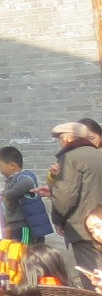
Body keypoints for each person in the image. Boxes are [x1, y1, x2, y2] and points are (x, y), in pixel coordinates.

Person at [48, 119, 102, 281]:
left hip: (83, 228)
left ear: (67, 139)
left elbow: (65, 197)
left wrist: (58, 220)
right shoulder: (98, 155)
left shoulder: (69, 158)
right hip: (98, 224)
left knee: (92, 278)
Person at [0, 146, 57, 245]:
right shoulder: (11, 180)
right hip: (16, 225)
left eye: (0, 166)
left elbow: (11, 194)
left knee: (25, 248)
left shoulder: (25, 178)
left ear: (12, 165)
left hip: (25, 224)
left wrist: (2, 193)